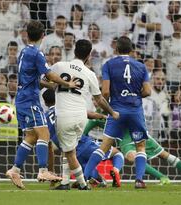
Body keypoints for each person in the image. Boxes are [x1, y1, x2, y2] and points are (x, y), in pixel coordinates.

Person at [5, 20, 80, 190]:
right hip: (30, 101)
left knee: (30, 137)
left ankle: (15, 169)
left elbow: (35, 79)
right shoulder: (36, 54)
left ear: (27, 34)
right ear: (43, 36)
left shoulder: (23, 52)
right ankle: (43, 170)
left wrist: (50, 85)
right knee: (44, 134)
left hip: (21, 99)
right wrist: (66, 84)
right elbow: (50, 74)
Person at [48, 39, 119, 190]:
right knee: (69, 150)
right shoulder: (90, 74)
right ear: (88, 55)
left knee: (70, 153)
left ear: (74, 51)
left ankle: (83, 184)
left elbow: (44, 81)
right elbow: (99, 99)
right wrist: (112, 112)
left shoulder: (60, 66)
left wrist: (59, 83)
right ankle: (65, 182)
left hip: (64, 115)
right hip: (81, 117)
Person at [84, 36, 151, 189]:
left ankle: (85, 178)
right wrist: (133, 95)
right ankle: (139, 180)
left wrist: (106, 106)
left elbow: (105, 92)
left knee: (104, 147)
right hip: (135, 111)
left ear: (116, 49)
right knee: (140, 146)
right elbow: (147, 91)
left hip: (116, 111)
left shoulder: (109, 65)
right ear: (132, 50)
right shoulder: (141, 66)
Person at [42, 89, 124, 190]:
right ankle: (115, 170)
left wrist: (51, 171)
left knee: (85, 167)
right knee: (117, 153)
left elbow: (49, 146)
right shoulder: (65, 107)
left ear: (45, 102)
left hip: (71, 155)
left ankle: (95, 179)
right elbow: (88, 114)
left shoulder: (44, 119)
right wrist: (102, 116)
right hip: (84, 144)